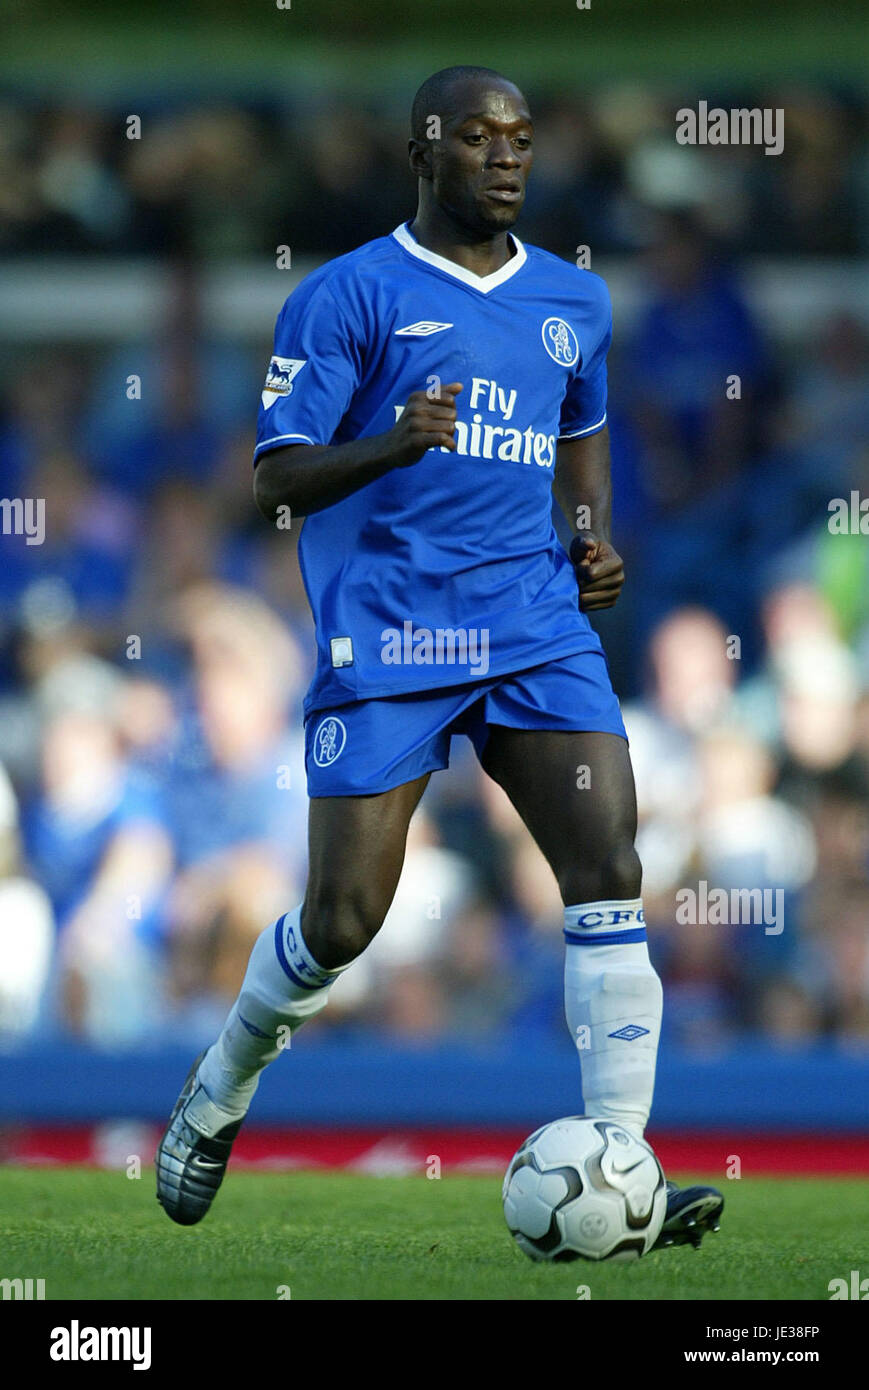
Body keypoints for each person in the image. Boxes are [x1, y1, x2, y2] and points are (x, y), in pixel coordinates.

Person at [156, 66, 723, 1247]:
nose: (506, 157)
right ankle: (217, 1092)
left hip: (531, 629)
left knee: (607, 860)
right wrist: (391, 441)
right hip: (391, 638)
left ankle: (624, 1164)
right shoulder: (345, 295)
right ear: (425, 151)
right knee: (342, 920)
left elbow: (579, 439)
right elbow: (273, 475)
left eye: (519, 138)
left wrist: (589, 543)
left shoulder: (574, 300)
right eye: (478, 138)